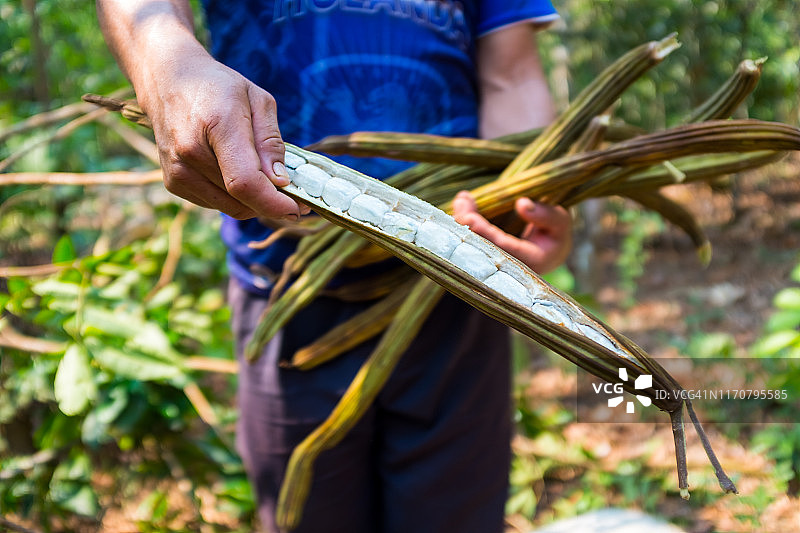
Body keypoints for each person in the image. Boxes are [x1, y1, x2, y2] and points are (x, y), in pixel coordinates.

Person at [96, 1, 573, 531]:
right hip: (287, 290)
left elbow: (512, 74)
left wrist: (524, 199)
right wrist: (166, 60)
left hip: (458, 292)